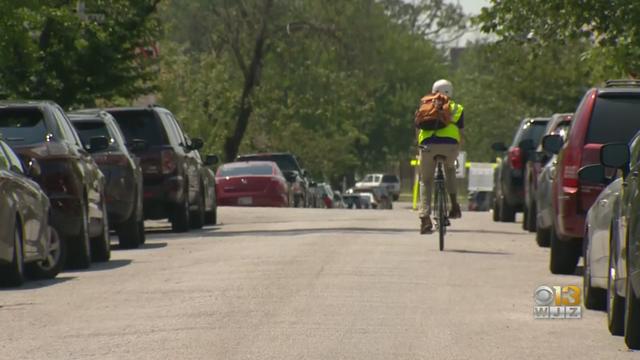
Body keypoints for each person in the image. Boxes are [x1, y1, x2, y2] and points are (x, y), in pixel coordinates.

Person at [417, 79, 464, 234]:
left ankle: (425, 218)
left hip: (427, 146)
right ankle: (454, 205)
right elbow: (461, 132)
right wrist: (457, 147)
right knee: (450, 169)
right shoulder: (457, 107)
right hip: (450, 146)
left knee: (426, 180)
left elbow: (418, 128)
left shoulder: (425, 104)